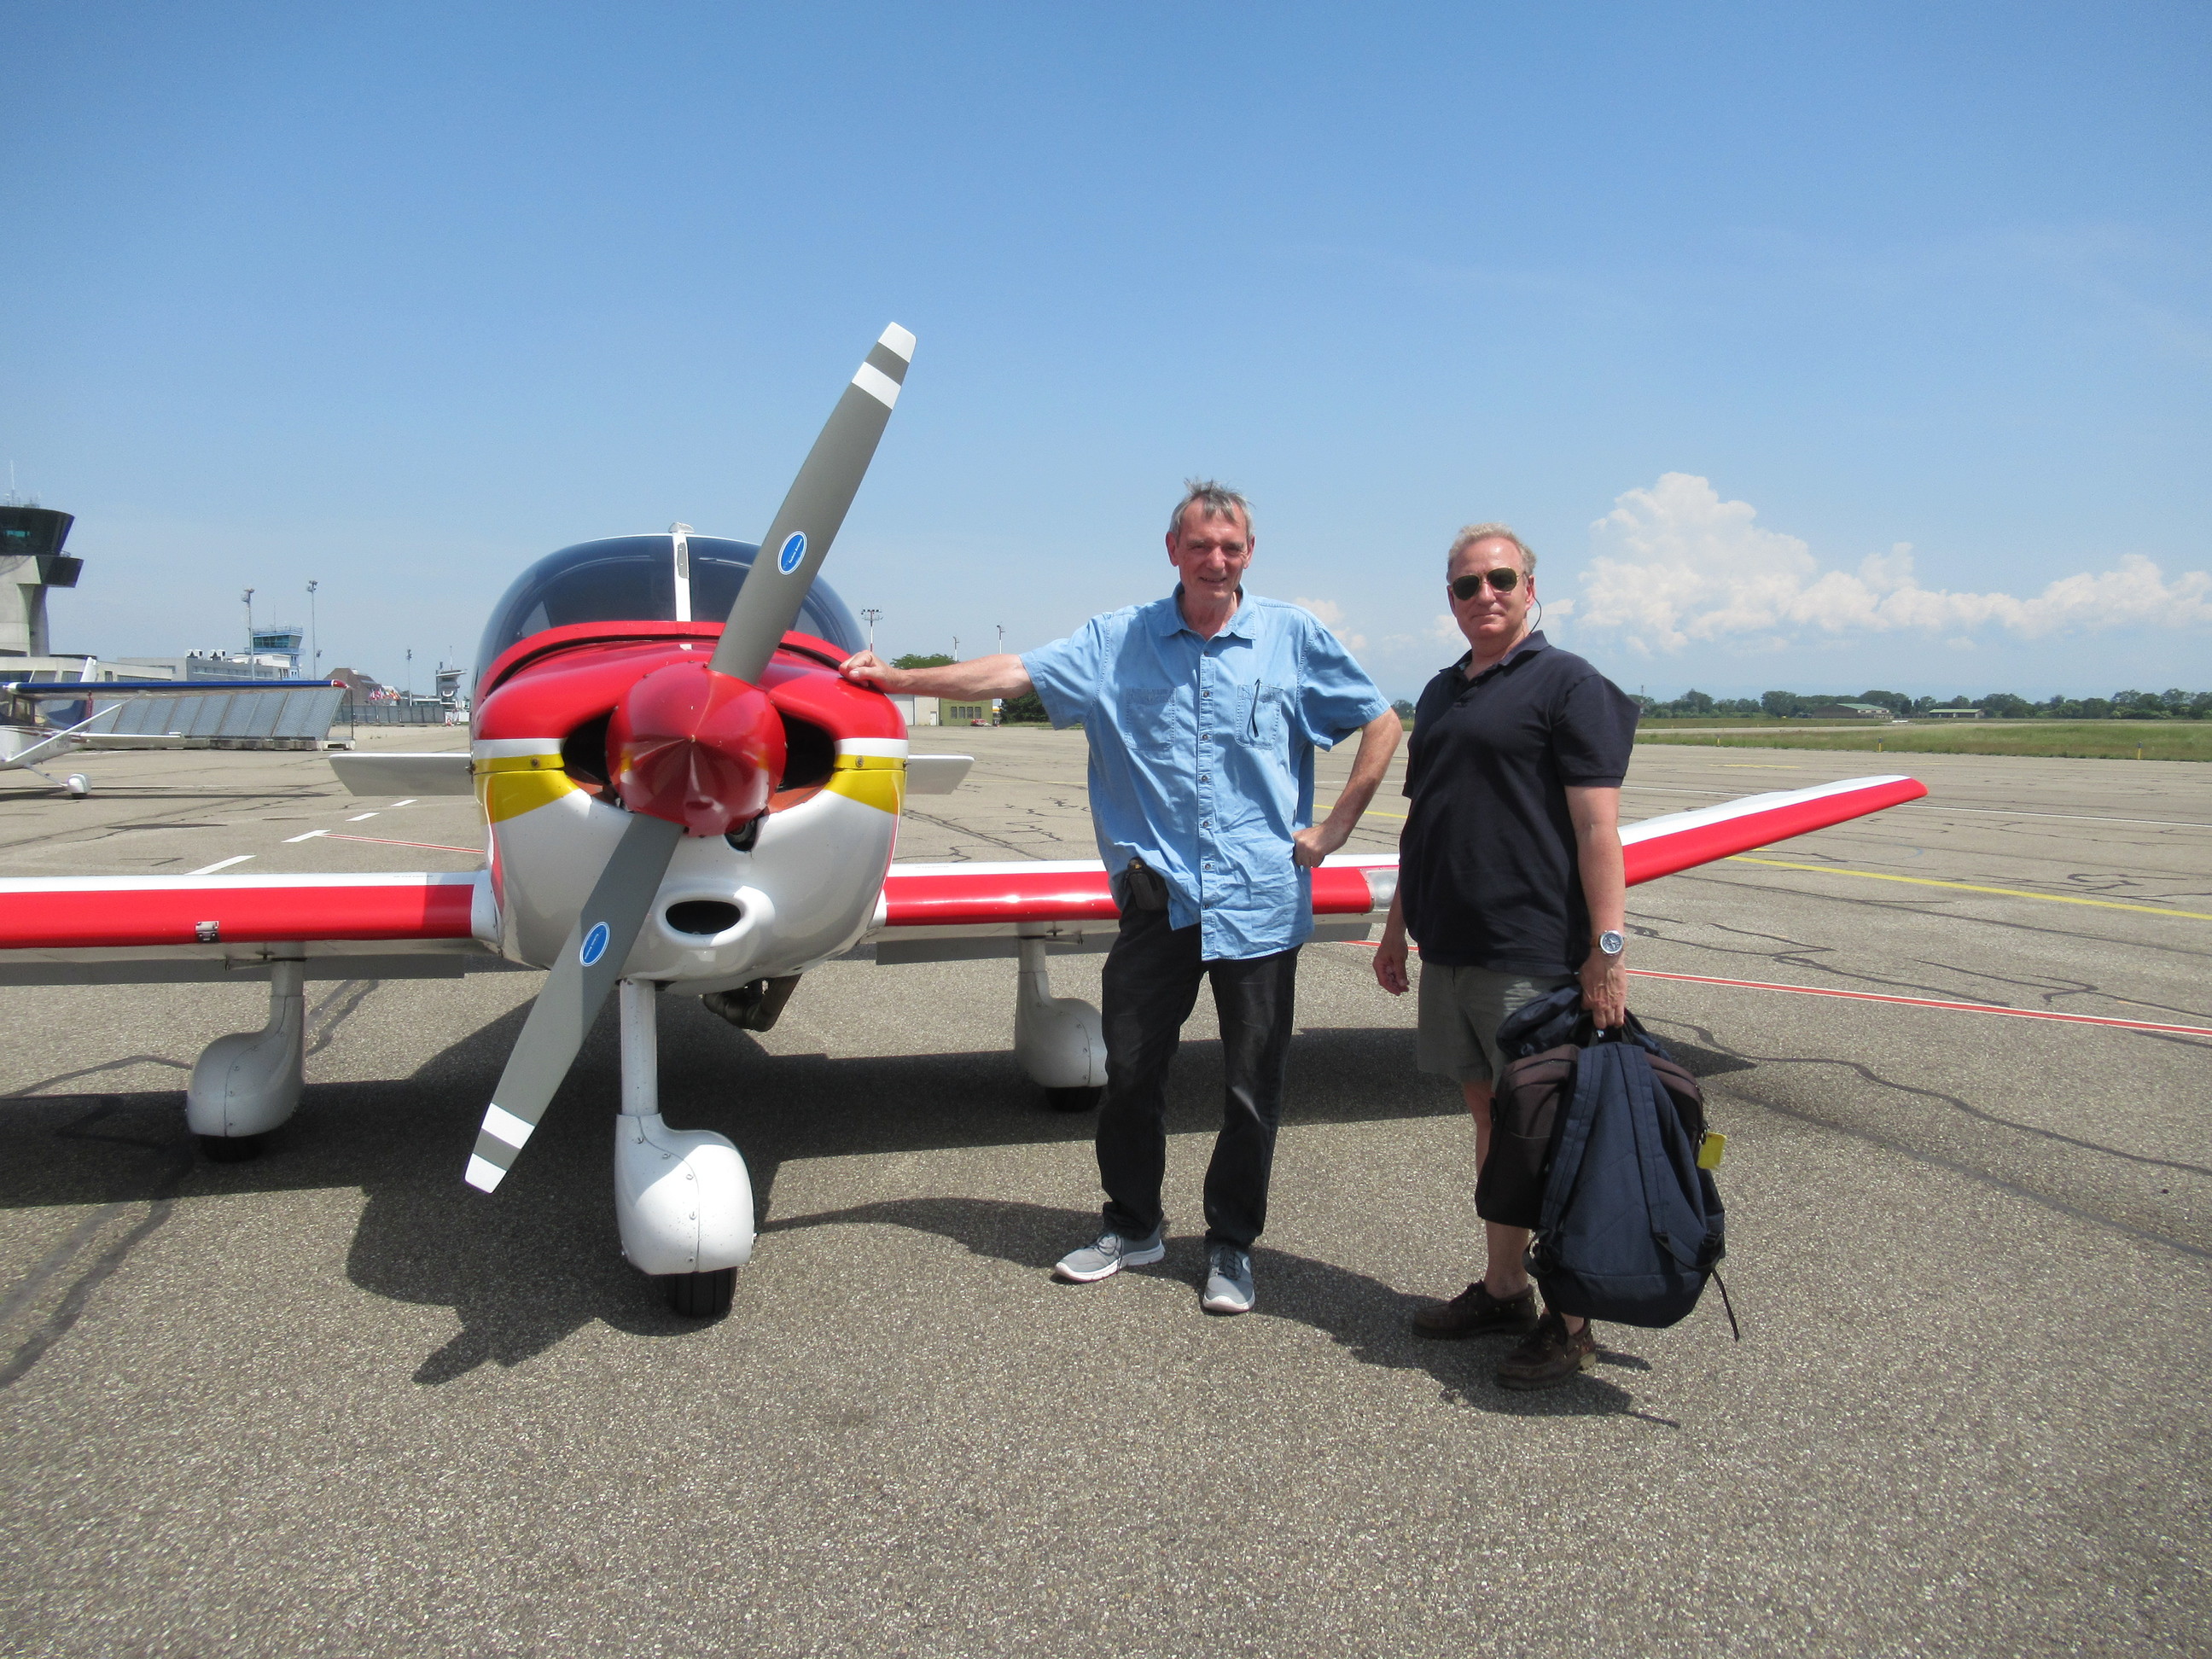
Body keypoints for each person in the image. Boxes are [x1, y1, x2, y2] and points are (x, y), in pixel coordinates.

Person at [840, 480, 1400, 1314]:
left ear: (1250, 553)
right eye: (1200, 545)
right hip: (1157, 901)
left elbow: (1379, 720)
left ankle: (1231, 1245)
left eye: (1232, 547)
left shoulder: (1292, 636)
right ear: (1173, 550)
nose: (1216, 561)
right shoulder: (1117, 641)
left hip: (1258, 901)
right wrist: (897, 678)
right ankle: (1133, 1227)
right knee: (1131, 1074)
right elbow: (1013, 673)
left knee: (1252, 1088)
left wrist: (1337, 826)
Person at [1371, 522, 1639, 1389]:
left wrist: (1606, 949)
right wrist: (1396, 927)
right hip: (1452, 946)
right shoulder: (1443, 692)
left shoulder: (1569, 684)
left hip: (1531, 950)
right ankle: (1503, 1287)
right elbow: (1424, 820)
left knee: (1546, 1133)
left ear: (1531, 587)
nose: (1483, 595)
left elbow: (1598, 829)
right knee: (1490, 1120)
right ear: (1450, 599)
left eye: (1500, 579)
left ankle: (1574, 1322)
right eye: (1465, 585)